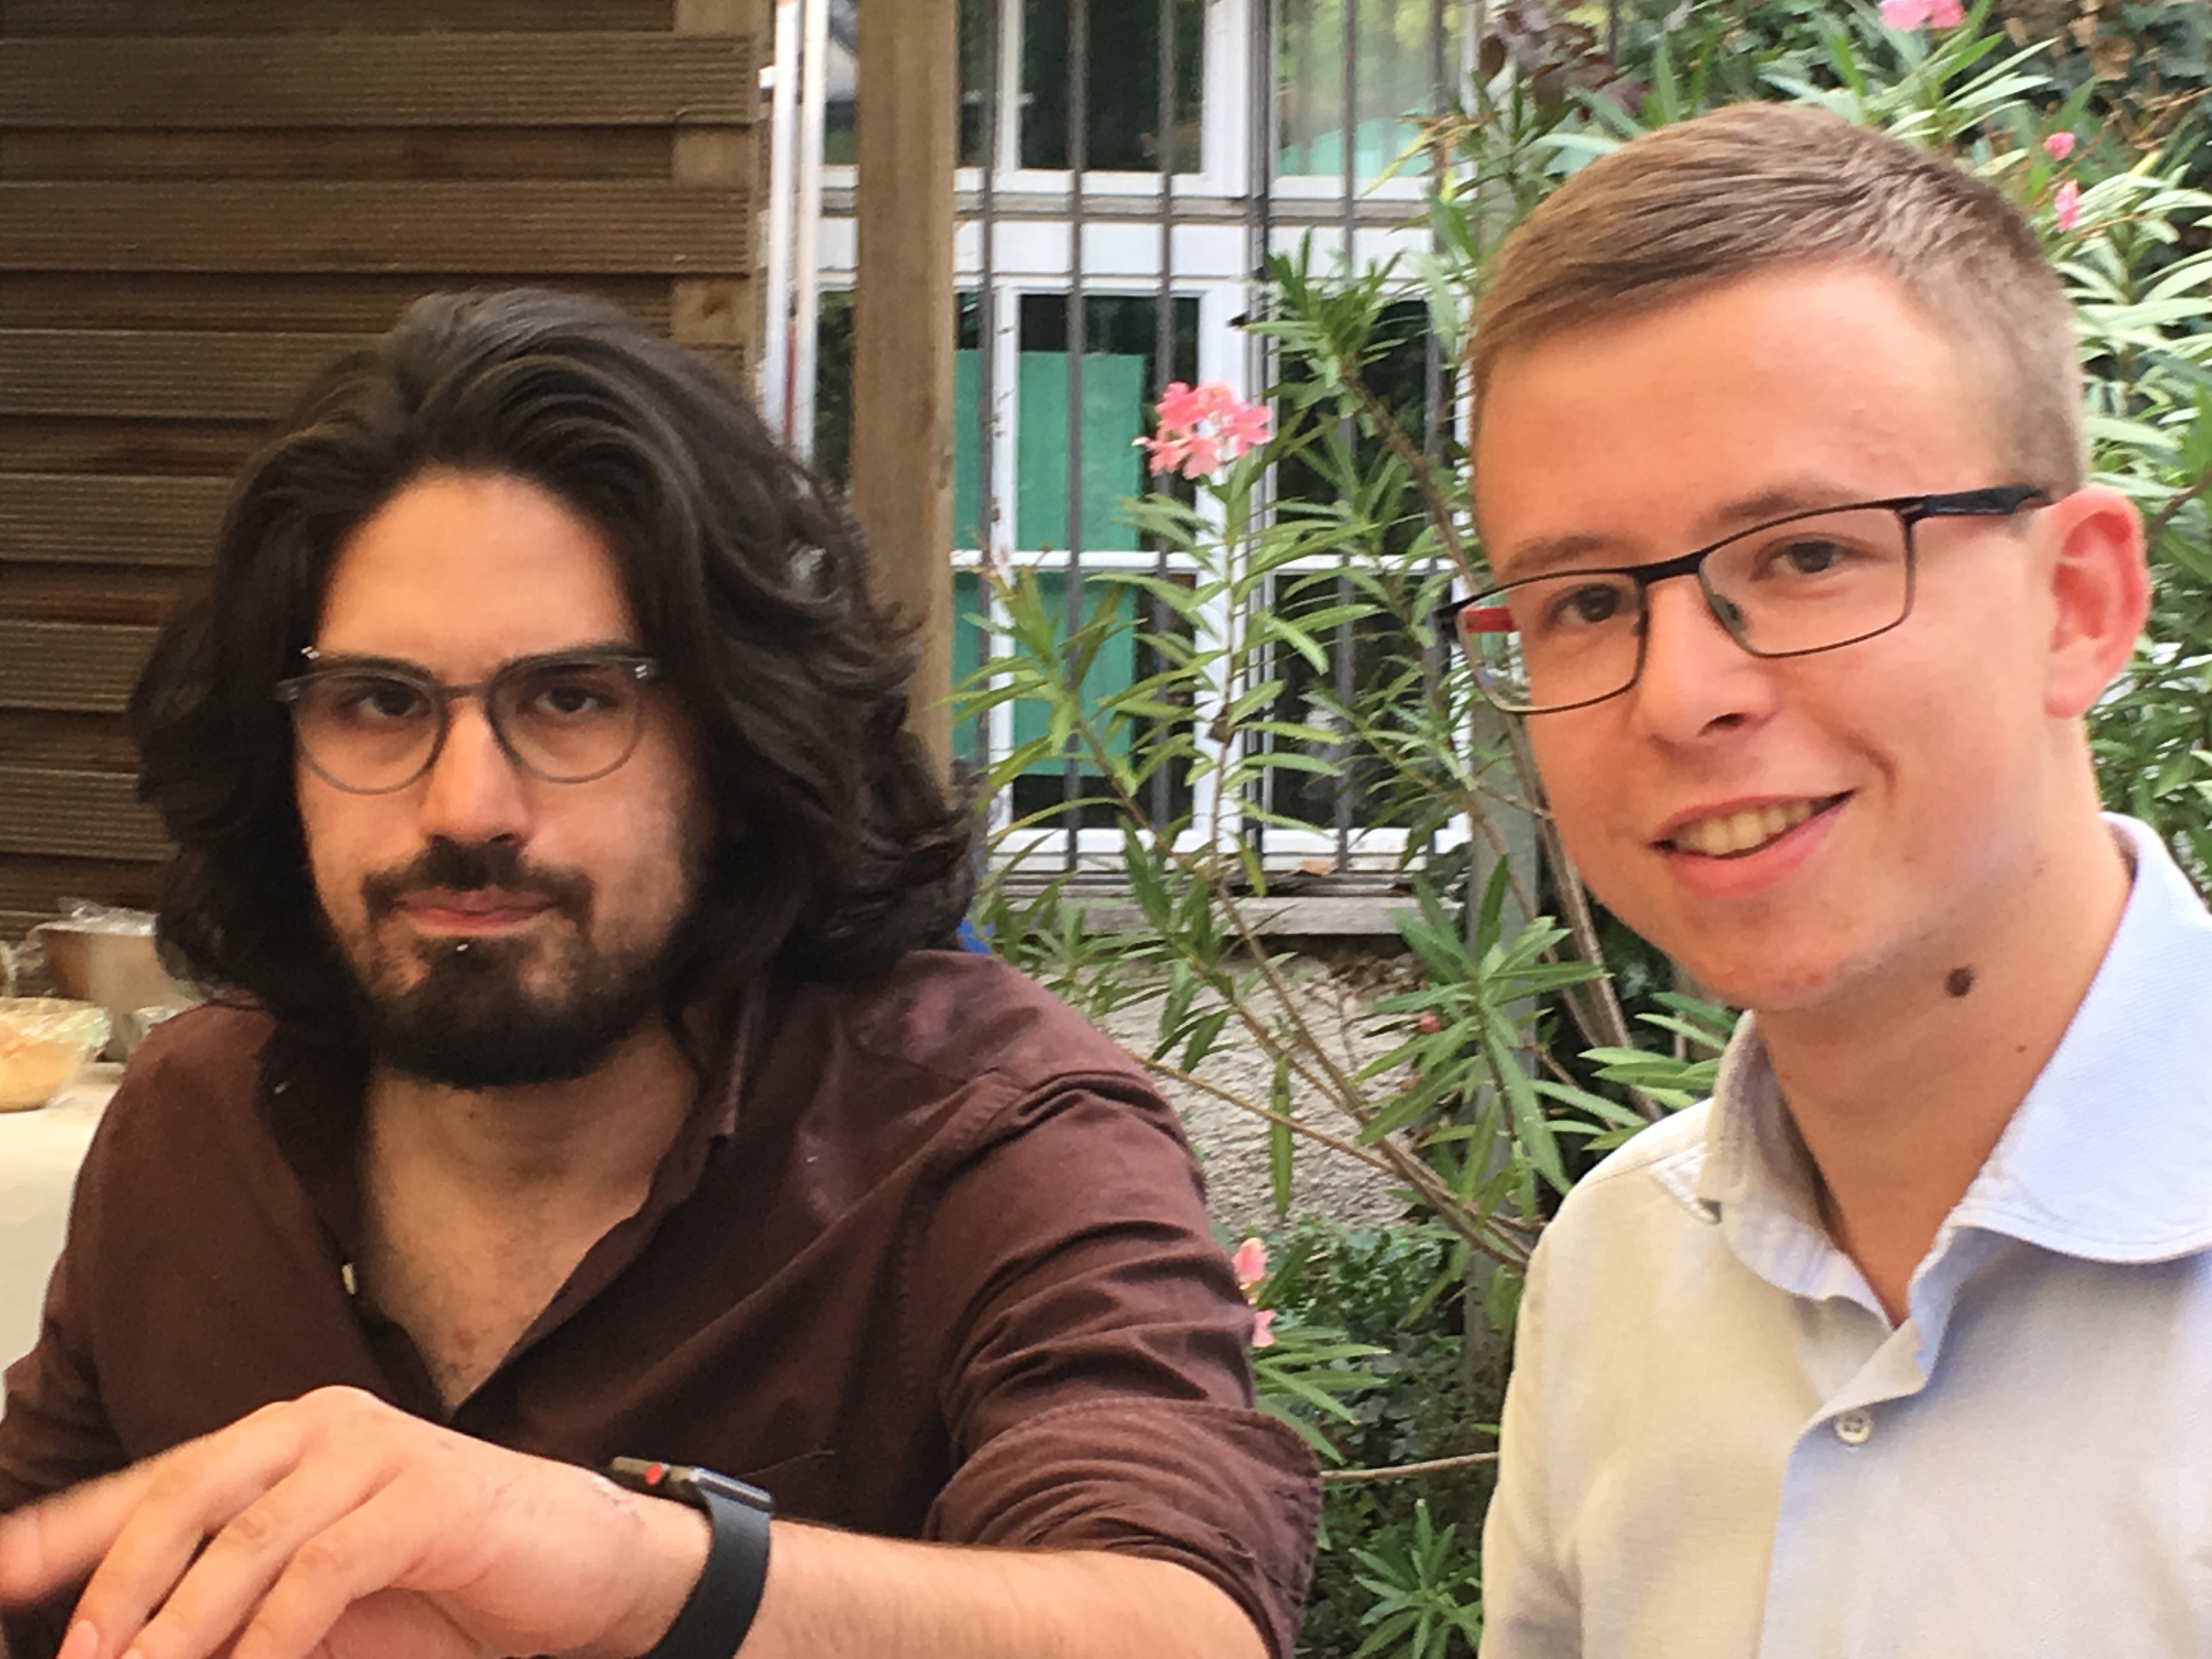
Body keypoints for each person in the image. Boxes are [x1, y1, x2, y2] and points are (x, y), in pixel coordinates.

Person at [0, 290, 1317, 1659]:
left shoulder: (987, 1140)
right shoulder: (201, 1119)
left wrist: (637, 1572)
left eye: (572, 700)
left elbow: (1187, 1623)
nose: (467, 806)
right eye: (380, 704)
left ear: (737, 749)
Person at [1455, 104, 2210, 1655]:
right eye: (1586, 601)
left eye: (1805, 555)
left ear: (2078, 604)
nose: (1682, 696)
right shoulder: (1619, 1273)